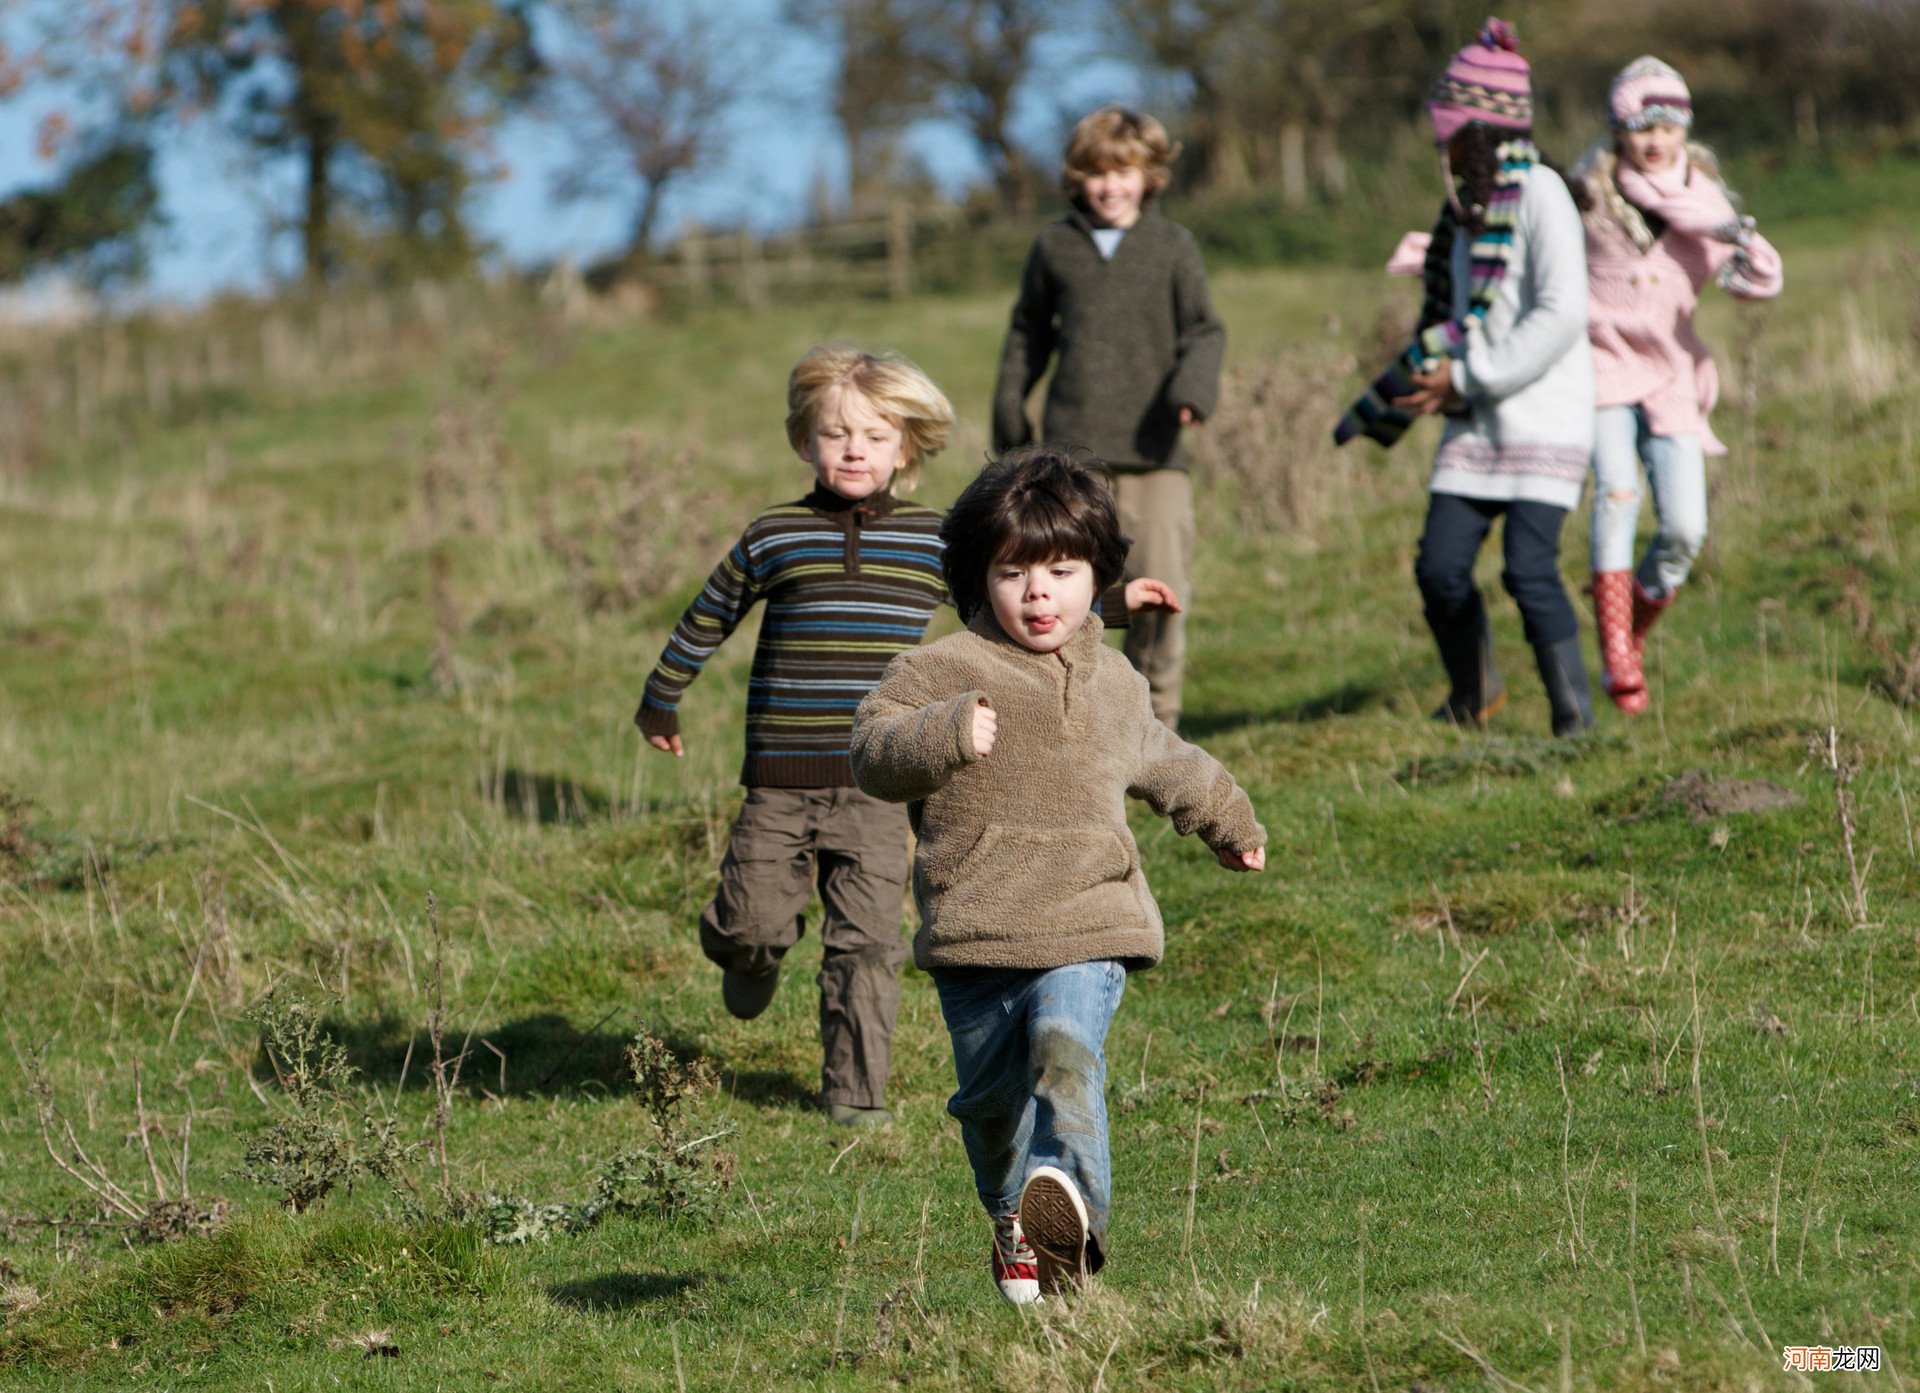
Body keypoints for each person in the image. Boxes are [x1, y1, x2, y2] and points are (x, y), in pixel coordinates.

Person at [636, 349, 1178, 1128]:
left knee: (866, 942)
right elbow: (708, 615)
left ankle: (856, 1094)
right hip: (781, 777)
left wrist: (1117, 602)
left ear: (908, 447)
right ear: (803, 442)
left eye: (876, 434)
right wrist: (662, 698)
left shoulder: (933, 541)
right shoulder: (775, 534)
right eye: (836, 433)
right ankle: (746, 952)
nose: (855, 449)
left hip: (887, 779)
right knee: (754, 916)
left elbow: (1016, 603)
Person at [850, 446, 1265, 1304]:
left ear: (1096, 574)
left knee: (1065, 1055)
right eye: (1014, 572)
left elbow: (1167, 759)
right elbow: (870, 749)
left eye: (1062, 569)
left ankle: (1074, 1229)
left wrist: (1228, 819)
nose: (1040, 593)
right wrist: (943, 732)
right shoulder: (940, 669)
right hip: (976, 936)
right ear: (978, 577)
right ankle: (1015, 1216)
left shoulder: (1114, 681)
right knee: (993, 1112)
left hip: (1088, 923)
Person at [1335, 18, 1596, 737]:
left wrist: (1467, 377)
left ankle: (1574, 720)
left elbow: (1562, 312)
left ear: (1471, 126)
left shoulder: (1541, 192)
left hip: (1544, 418)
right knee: (1439, 568)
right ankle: (1473, 692)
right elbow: (1463, 312)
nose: (1438, 144)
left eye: (1446, 126)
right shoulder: (1462, 216)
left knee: (1528, 570)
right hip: (1477, 425)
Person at [991, 106, 1225, 733]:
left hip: (1155, 454)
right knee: (1063, 598)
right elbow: (1027, 333)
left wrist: (1193, 391)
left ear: (1149, 174)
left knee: (1161, 597)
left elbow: (1204, 330)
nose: (1110, 185)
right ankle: (1059, 726)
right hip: (1070, 458)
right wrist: (1010, 407)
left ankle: (1157, 736)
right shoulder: (1054, 246)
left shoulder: (1173, 246)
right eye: (1096, 172)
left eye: (1124, 171)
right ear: (1077, 177)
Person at [1573, 57, 1783, 713]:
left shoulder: (1708, 203)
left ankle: (1625, 624)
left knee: (1685, 529)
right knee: (1616, 495)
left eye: (1665, 124)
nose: (1653, 138)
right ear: (1618, 131)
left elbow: (1753, 281)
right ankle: (1616, 658)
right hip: (1601, 367)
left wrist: (1743, 246)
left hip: (1672, 377)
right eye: (1639, 126)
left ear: (1683, 128)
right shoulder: (1590, 196)